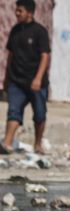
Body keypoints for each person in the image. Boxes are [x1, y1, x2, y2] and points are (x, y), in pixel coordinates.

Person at [2, 0, 50, 155]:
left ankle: (38, 144)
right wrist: (6, 77)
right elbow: (11, 55)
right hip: (17, 80)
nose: (17, 13)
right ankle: (7, 144)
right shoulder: (15, 30)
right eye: (16, 10)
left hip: (36, 81)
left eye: (20, 11)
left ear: (29, 12)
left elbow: (45, 56)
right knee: (14, 111)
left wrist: (38, 78)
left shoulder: (39, 31)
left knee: (40, 114)